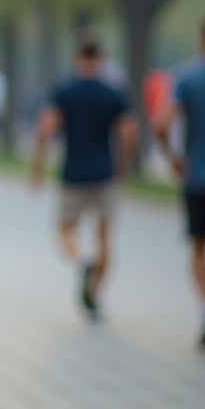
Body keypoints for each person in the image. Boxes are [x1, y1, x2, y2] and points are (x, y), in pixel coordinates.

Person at [29, 29, 136, 322]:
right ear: (101, 57)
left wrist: (37, 164)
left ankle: (81, 258)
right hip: (105, 174)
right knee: (105, 237)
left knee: (65, 230)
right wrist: (122, 162)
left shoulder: (64, 90)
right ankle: (95, 295)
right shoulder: (113, 92)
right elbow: (129, 132)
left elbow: (47, 128)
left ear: (76, 56)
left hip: (73, 175)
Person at [153, 8, 205, 355]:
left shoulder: (185, 78)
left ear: (203, 39)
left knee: (199, 246)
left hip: (197, 176)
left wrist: (172, 158)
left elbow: (160, 122)